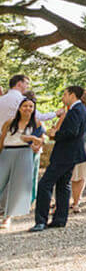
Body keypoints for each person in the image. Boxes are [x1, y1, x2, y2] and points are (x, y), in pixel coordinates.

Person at [30, 86, 86, 231]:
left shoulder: (75, 111)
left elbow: (71, 132)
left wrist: (54, 134)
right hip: (72, 154)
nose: (63, 97)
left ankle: (41, 221)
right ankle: (60, 219)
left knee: (45, 184)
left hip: (65, 154)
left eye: (65, 94)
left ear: (72, 95)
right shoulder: (82, 109)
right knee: (63, 185)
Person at [0, 96, 43, 229]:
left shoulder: (36, 123)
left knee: (17, 187)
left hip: (25, 153)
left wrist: (32, 139)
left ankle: (8, 218)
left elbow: (41, 141)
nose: (28, 109)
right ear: (19, 108)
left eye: (31, 106)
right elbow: (1, 139)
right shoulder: (10, 122)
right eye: (25, 106)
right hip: (7, 152)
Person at [68, 89, 86, 213]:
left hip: (75, 145)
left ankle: (72, 202)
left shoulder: (74, 112)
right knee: (82, 176)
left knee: (73, 176)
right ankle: (76, 202)